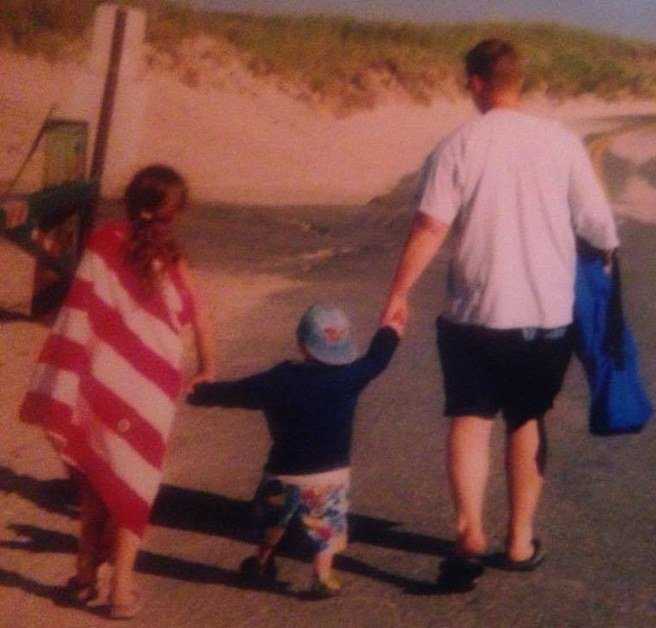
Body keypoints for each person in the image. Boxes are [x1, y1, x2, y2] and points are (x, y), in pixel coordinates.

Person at [380, 39, 620, 590]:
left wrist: (399, 292)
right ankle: (519, 540)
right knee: (527, 420)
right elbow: (599, 226)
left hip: (474, 313)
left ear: (475, 82)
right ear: (519, 81)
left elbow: (430, 227)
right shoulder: (561, 142)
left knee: (470, 418)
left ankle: (469, 533)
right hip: (545, 316)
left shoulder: (459, 144)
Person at [19, 164, 216, 619]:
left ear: (130, 203)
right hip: (152, 389)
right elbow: (201, 317)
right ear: (174, 213)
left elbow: (79, 313)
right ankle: (121, 589)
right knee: (134, 482)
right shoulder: (174, 261)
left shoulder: (103, 245)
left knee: (95, 481)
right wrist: (208, 367)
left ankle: (85, 575)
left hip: (101, 382)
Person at [187, 304, 401, 598]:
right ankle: (322, 576)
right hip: (328, 477)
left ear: (302, 344)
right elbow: (377, 360)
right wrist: (391, 330)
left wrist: (200, 393)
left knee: (274, 521)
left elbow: (237, 392)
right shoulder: (350, 376)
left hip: (282, 472)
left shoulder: (279, 379)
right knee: (326, 527)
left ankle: (261, 561)